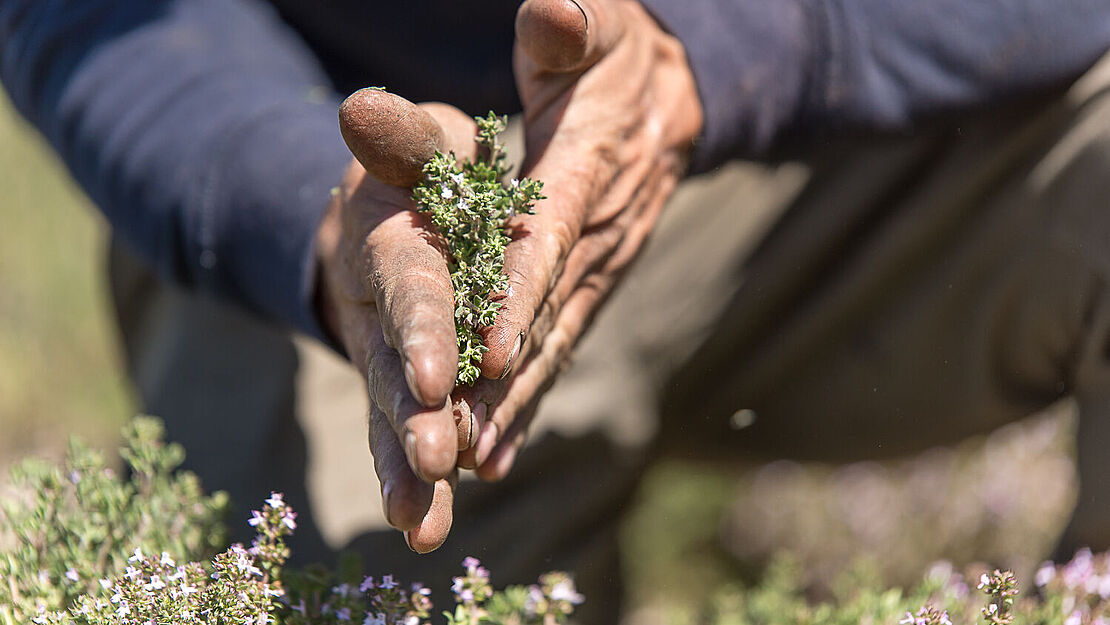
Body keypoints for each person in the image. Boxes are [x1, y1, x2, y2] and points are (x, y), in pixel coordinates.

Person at [4, 0, 1110, 621]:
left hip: (842, 115)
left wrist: (716, 57)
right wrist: (303, 203)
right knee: (349, 591)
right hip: (349, 190)